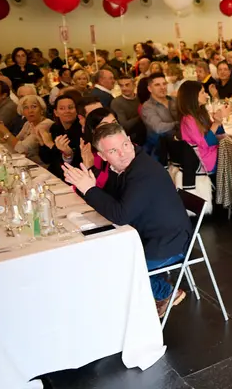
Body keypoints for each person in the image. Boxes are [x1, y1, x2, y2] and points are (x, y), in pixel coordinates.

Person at [62, 122, 192, 317]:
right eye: (113, 150)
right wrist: (90, 183)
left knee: (112, 266)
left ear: (130, 142)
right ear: (103, 156)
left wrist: (89, 189)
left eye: (124, 145)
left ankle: (165, 292)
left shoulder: (143, 172)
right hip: (147, 235)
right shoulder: (123, 167)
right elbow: (113, 200)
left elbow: (120, 215)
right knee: (100, 256)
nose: (123, 153)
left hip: (168, 243)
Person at [178, 81, 230, 176]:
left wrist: (219, 121)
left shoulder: (200, 113)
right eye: (202, 92)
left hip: (210, 152)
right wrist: (216, 123)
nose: (206, 95)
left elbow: (218, 134)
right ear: (193, 96)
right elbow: (205, 143)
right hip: (203, 160)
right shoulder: (188, 119)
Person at [0, 95, 54, 165]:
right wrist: (1, 134)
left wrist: (5, 131)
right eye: (26, 108)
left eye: (34, 106)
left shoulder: (46, 125)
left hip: (42, 168)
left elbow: (21, 148)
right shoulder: (28, 124)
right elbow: (14, 146)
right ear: (22, 112)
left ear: (42, 110)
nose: (30, 111)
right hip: (27, 163)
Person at [38, 94, 83, 178]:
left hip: (74, 175)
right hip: (56, 174)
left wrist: (51, 144)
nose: (67, 111)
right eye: (62, 108)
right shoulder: (55, 128)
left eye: (70, 107)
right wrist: (42, 142)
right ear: (56, 112)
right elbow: (46, 159)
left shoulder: (81, 129)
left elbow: (76, 161)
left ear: (76, 110)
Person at [81, 108, 119, 189]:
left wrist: (91, 168)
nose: (111, 128)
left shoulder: (126, 149)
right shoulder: (93, 152)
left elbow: (108, 187)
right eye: (104, 125)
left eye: (114, 123)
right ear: (93, 130)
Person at [141, 72, 179, 150]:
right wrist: (178, 124)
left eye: (164, 84)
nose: (162, 87)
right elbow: (158, 128)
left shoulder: (174, 100)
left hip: (179, 140)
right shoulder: (147, 107)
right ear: (150, 89)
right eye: (157, 85)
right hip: (160, 148)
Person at [111, 75, 143, 142]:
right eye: (121, 86)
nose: (124, 88)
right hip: (130, 138)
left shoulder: (140, 98)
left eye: (127, 85)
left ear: (134, 85)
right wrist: (141, 114)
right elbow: (124, 126)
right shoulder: (116, 102)